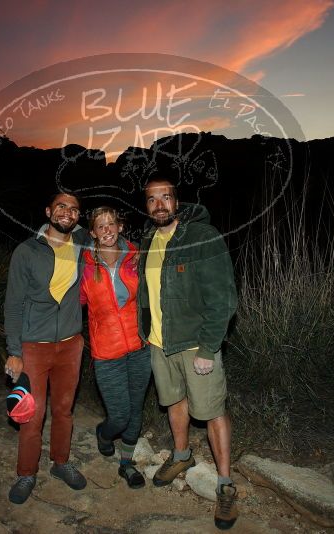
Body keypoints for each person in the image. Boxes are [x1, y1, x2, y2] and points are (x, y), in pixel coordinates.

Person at [137, 178, 239, 530]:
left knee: (211, 411)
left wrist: (209, 347)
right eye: (152, 200)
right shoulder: (147, 241)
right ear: (147, 206)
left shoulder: (201, 236)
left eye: (166, 197)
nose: (159, 205)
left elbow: (223, 297)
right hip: (159, 343)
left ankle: (225, 484)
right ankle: (181, 456)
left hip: (197, 344)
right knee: (174, 402)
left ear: (177, 202)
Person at [3, 191, 89, 505]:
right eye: (62, 206)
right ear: (49, 210)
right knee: (31, 414)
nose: (68, 213)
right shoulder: (26, 252)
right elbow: (12, 305)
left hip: (70, 344)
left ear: (79, 217)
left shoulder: (81, 242)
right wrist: (14, 351)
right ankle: (27, 473)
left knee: (64, 410)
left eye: (75, 209)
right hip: (33, 347)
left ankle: (61, 463)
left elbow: (110, 232)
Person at [79, 206, 151, 488]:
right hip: (106, 351)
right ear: (93, 232)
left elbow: (152, 293)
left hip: (139, 347)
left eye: (112, 224)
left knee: (136, 409)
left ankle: (127, 464)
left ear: (120, 226)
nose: (107, 229)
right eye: (100, 226)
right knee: (119, 415)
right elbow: (76, 305)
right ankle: (104, 434)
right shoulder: (84, 264)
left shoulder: (136, 257)